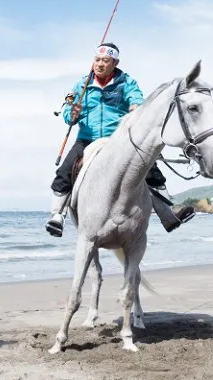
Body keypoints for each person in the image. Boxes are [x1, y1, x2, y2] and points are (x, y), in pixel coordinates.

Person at [45, 42, 195, 237]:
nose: (99, 64)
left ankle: (167, 214)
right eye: (97, 60)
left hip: (118, 139)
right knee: (64, 171)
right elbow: (68, 114)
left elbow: (136, 98)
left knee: (149, 166)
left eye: (105, 61)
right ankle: (58, 215)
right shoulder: (81, 85)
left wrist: (135, 107)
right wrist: (72, 113)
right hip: (86, 139)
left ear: (115, 62)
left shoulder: (127, 82)